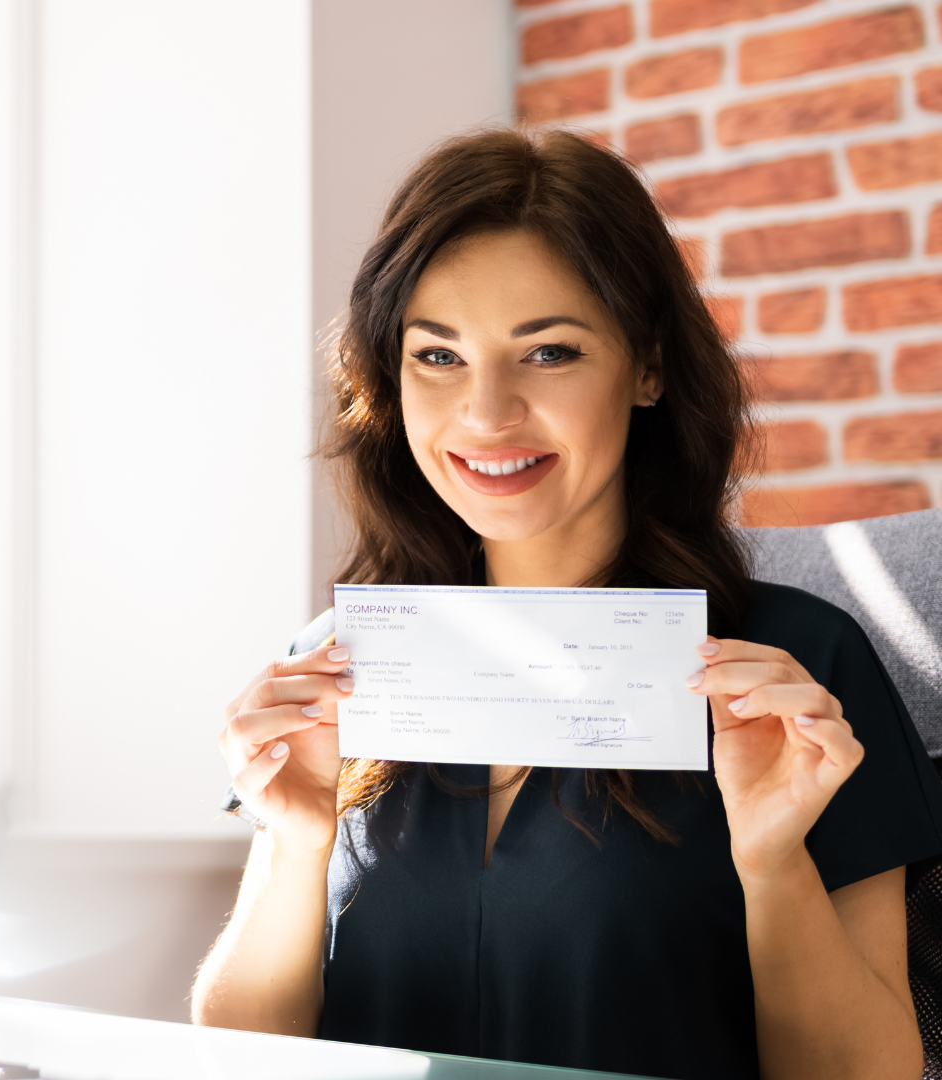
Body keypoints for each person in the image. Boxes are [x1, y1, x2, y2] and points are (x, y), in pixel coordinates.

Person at [191, 129, 942, 1080]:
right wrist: (299, 844)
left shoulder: (800, 664)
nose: (488, 413)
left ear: (648, 368)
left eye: (548, 353)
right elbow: (233, 1062)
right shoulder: (342, 663)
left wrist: (772, 860)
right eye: (438, 357)